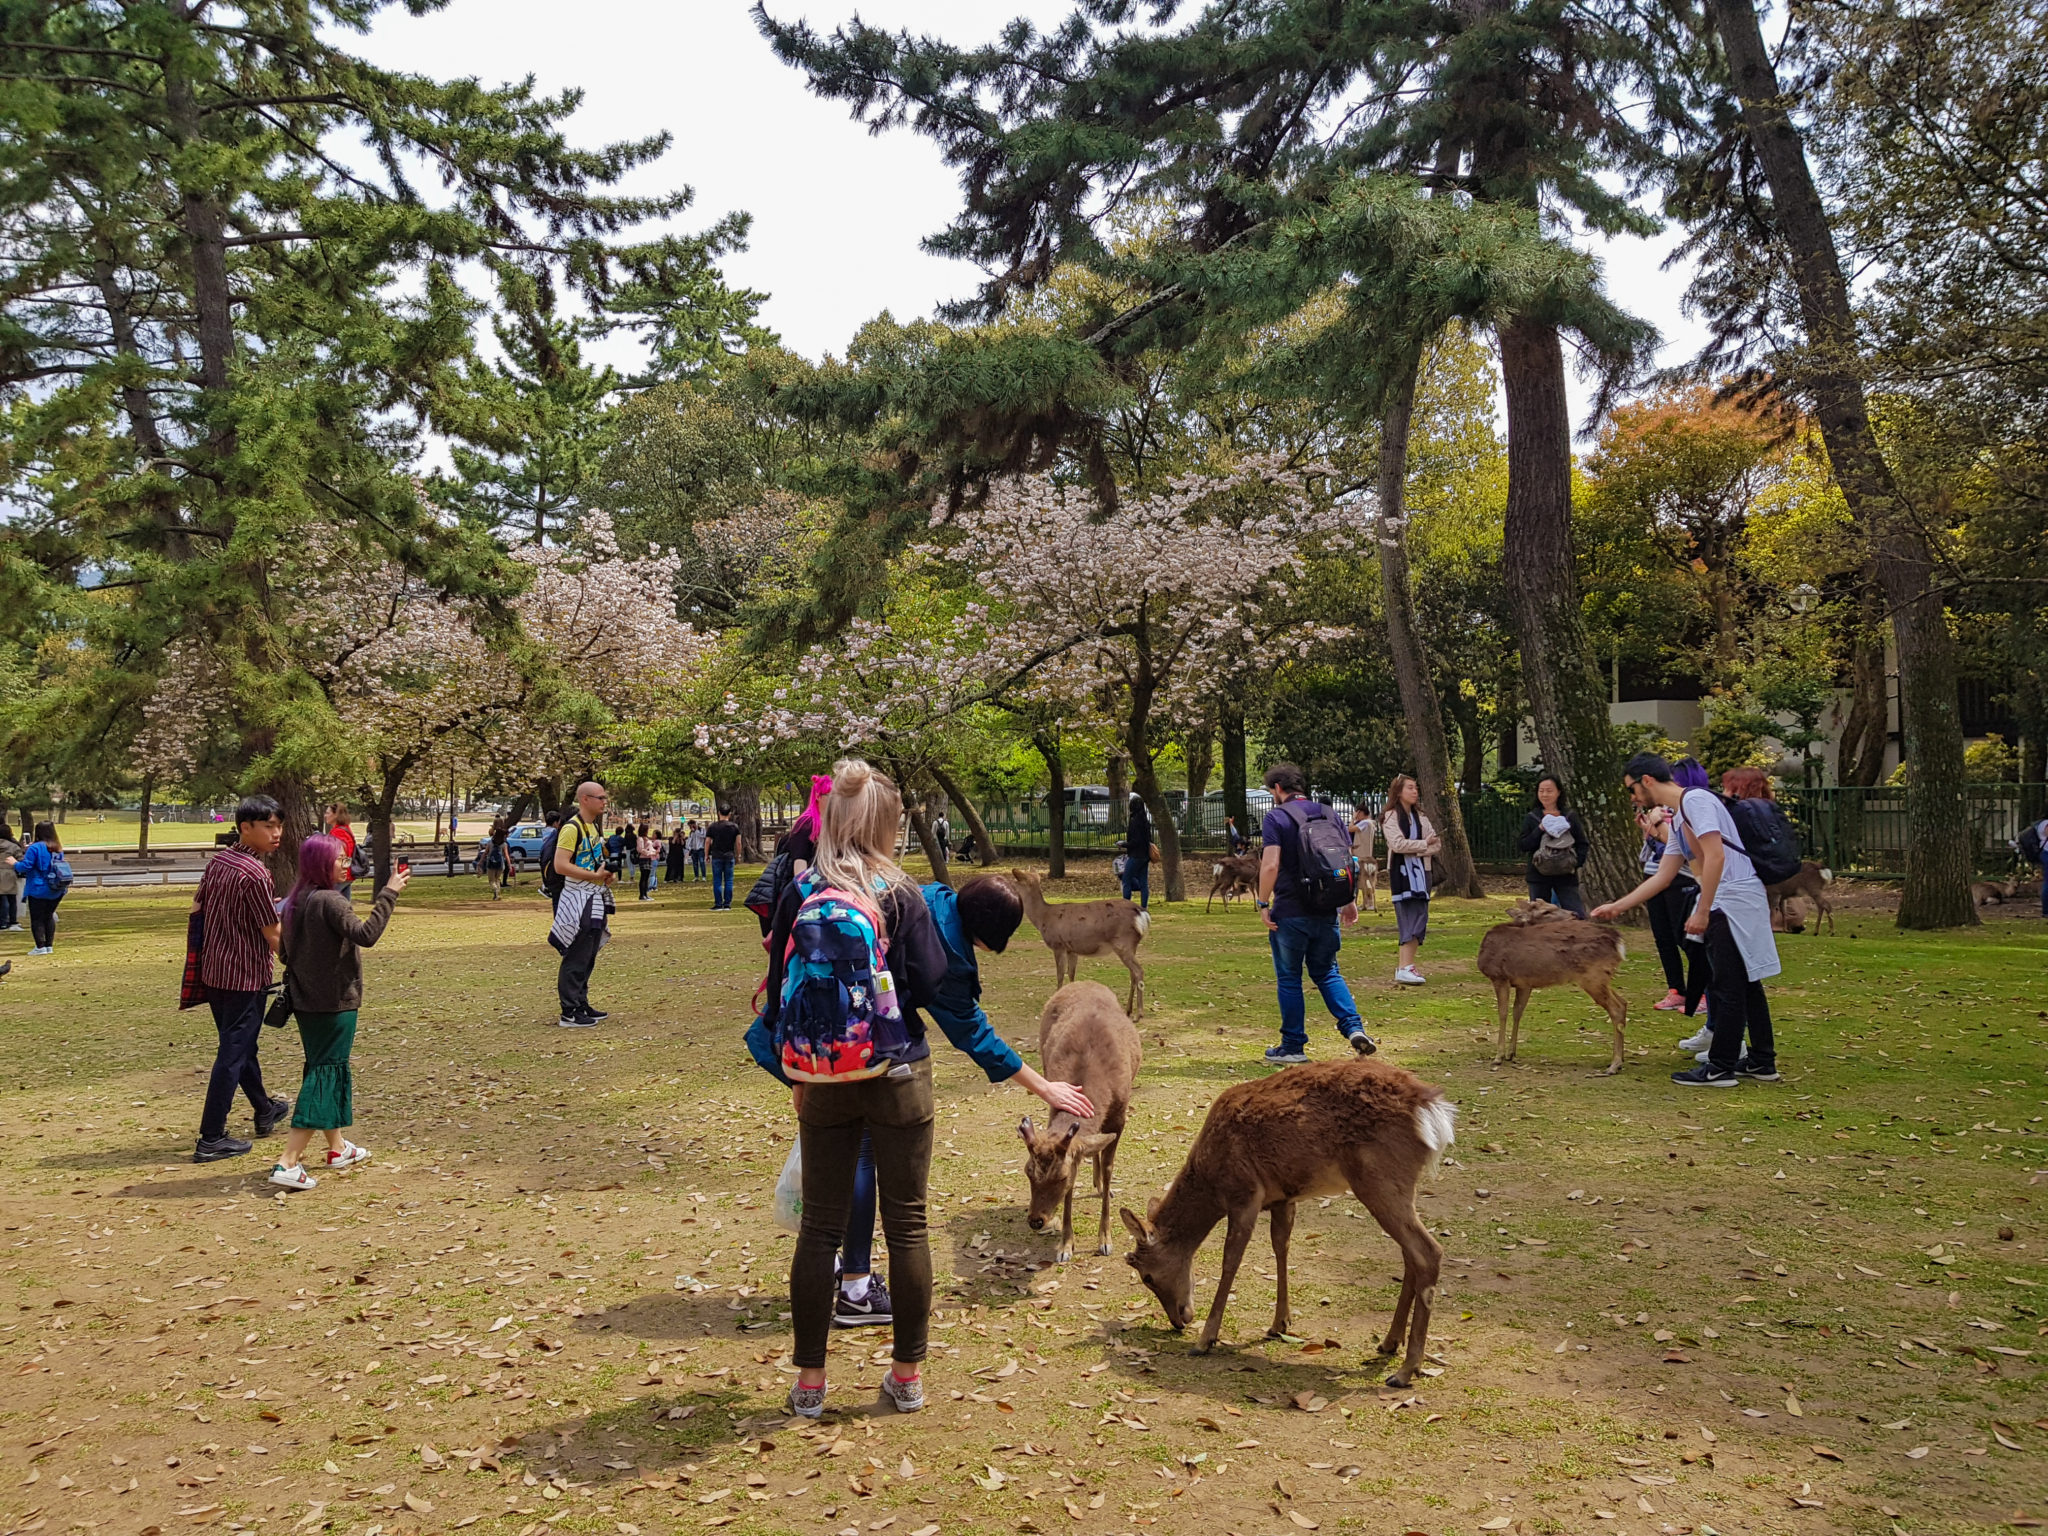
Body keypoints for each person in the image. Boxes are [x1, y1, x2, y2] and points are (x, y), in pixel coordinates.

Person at [746, 759, 1096, 1415]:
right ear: (884, 825)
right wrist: (1036, 1083)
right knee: (907, 1225)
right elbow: (949, 1005)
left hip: (822, 1076)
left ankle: (809, 1387)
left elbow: (780, 995)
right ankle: (905, 1379)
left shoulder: (800, 892)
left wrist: (800, 1074)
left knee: (818, 1231)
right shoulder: (902, 894)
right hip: (900, 1070)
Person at [1592, 753, 1781, 1087]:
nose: (1633, 798)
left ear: (1647, 780)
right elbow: (1664, 875)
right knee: (1746, 981)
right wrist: (1618, 906)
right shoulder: (1680, 816)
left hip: (1732, 900)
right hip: (1728, 899)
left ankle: (1722, 1066)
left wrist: (1703, 910)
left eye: (1632, 789)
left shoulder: (1696, 802)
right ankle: (1762, 1061)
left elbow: (1716, 856)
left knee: (1728, 984)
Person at [269, 834, 409, 1189]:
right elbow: (366, 934)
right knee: (324, 1073)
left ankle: (338, 1148)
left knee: (325, 1068)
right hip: (334, 1004)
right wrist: (389, 892)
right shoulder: (331, 901)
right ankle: (287, 1162)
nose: (346, 865)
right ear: (321, 863)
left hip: (306, 1003)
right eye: (340, 859)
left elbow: (284, 953)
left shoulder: (295, 901)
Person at [190, 797, 291, 1162]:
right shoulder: (254, 873)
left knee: (242, 1047)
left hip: (215, 970)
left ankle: (265, 1109)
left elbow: (198, 908)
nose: (276, 833)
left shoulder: (220, 862)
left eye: (278, 825)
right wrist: (295, 965)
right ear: (245, 827)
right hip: (244, 976)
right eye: (268, 826)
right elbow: (273, 932)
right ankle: (211, 1137)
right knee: (232, 1053)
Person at [1254, 762, 1374, 1065]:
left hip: (1291, 911)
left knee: (1290, 977)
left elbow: (1270, 865)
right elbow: (1347, 861)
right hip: (1326, 908)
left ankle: (1293, 1045)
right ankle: (1354, 1028)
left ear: (1278, 789)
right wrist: (1348, 900)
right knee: (1328, 971)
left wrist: (1262, 902)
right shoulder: (1329, 814)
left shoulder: (1276, 818)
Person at [550, 782, 617, 1029]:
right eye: (600, 798)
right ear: (585, 799)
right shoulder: (572, 828)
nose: (604, 802)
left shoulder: (592, 828)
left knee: (589, 952)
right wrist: (594, 876)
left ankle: (581, 1002)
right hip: (577, 897)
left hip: (593, 894)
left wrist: (606, 874)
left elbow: (595, 861)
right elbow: (561, 865)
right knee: (577, 952)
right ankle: (569, 1011)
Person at [1381, 774, 1440, 986]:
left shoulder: (1421, 817)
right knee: (1407, 916)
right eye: (1410, 788)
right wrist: (1422, 845)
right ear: (1398, 792)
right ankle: (1404, 966)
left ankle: (1409, 965)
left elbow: (1436, 843)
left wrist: (1417, 847)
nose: (1415, 792)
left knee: (1420, 917)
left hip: (1422, 872)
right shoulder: (1390, 816)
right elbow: (1397, 844)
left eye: (1416, 788)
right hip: (1402, 874)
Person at [1517, 773, 1590, 916]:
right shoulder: (1532, 818)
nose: (1545, 794)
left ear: (1559, 792)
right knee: (1538, 916)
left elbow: (1582, 843)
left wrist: (1575, 863)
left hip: (1566, 875)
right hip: (1538, 875)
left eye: (1549, 791)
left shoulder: (1569, 817)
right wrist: (1540, 829)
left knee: (1576, 914)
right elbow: (1523, 845)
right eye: (1541, 790)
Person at [13, 822, 67, 955]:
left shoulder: (35, 848)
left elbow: (26, 866)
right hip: (56, 887)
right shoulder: (57, 847)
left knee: (37, 918)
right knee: (48, 916)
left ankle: (40, 946)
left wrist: (14, 863)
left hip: (38, 887)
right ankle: (49, 945)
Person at [1120, 792, 1152, 910]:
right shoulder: (1145, 821)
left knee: (1126, 879)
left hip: (1136, 855)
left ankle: (1126, 905)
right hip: (1145, 855)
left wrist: (1124, 844)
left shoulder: (1134, 821)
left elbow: (1135, 841)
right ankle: (1144, 906)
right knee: (1143, 882)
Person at [705, 806, 741, 910]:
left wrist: (706, 854)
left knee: (717, 880)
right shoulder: (734, 827)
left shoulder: (713, 827)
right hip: (729, 855)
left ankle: (718, 903)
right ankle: (727, 904)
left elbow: (707, 841)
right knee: (729, 880)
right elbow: (738, 842)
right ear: (729, 814)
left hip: (717, 855)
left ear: (718, 813)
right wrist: (738, 854)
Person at [322, 804, 358, 899]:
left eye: (327, 813)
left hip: (340, 874)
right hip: (346, 874)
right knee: (345, 905)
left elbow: (337, 854)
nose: (325, 815)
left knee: (329, 902)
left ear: (336, 815)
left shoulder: (338, 832)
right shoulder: (345, 829)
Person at [0, 821, 21, 933]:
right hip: (9, 873)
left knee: (2, 899)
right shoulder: (13, 846)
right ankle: (12, 920)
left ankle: (2, 922)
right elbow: (20, 859)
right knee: (11, 899)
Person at [636, 821, 659, 902]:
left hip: (648, 858)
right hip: (643, 858)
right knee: (643, 877)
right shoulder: (640, 839)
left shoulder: (646, 838)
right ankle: (642, 895)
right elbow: (640, 849)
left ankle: (645, 894)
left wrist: (654, 852)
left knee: (647, 877)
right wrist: (649, 853)